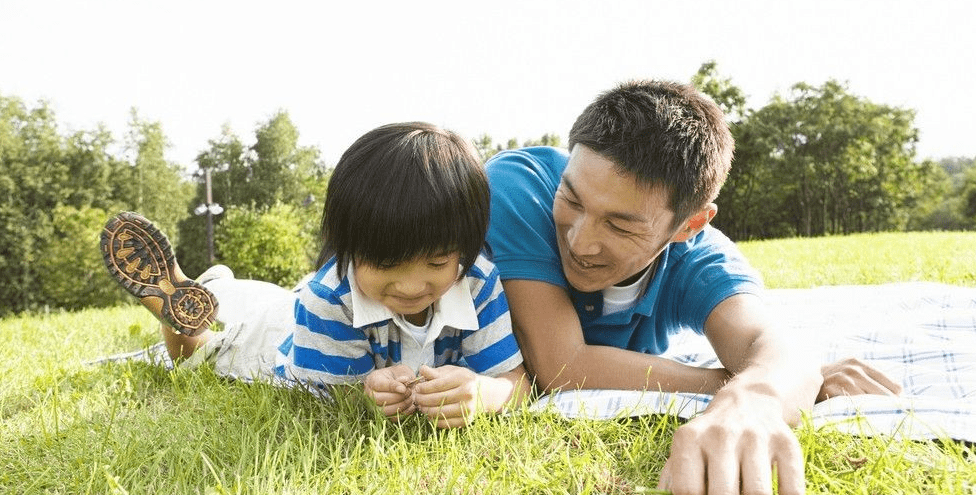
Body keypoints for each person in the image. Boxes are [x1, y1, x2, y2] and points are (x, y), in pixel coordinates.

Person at [484, 80, 900, 494]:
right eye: (572, 200)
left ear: (690, 224)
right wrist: (743, 378)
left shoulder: (703, 260)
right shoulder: (519, 187)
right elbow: (562, 364)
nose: (580, 241)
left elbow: (772, 342)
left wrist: (755, 397)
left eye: (619, 224)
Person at [101, 122, 530, 429]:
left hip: (299, 307)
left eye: (436, 265)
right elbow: (326, 403)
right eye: (385, 266)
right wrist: (364, 393)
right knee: (212, 352)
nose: (411, 286)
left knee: (268, 299)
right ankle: (184, 306)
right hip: (282, 344)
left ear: (468, 245)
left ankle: (218, 285)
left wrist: (485, 395)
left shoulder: (478, 281)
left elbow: (515, 380)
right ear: (347, 247)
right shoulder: (330, 297)